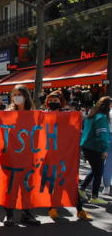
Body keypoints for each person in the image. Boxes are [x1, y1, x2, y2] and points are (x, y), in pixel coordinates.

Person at [43, 91, 92, 221]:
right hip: (48, 155)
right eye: (51, 100)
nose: (53, 102)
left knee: (70, 182)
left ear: (61, 101)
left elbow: (74, 131)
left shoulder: (68, 115)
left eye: (56, 100)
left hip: (64, 155)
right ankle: (51, 208)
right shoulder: (42, 115)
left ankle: (80, 210)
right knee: (51, 183)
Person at [4, 85, 40, 227]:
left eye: (19, 94)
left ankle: (27, 214)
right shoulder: (7, 114)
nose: (16, 97)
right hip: (10, 158)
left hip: (28, 158)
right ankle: (9, 214)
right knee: (10, 187)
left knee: (27, 187)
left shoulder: (34, 115)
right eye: (14, 94)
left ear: (26, 97)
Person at [79, 96, 112, 205]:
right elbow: (102, 135)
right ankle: (94, 196)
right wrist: (104, 149)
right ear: (107, 106)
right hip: (96, 148)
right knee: (98, 172)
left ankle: (82, 189)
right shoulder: (101, 118)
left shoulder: (90, 116)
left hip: (87, 147)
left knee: (95, 170)